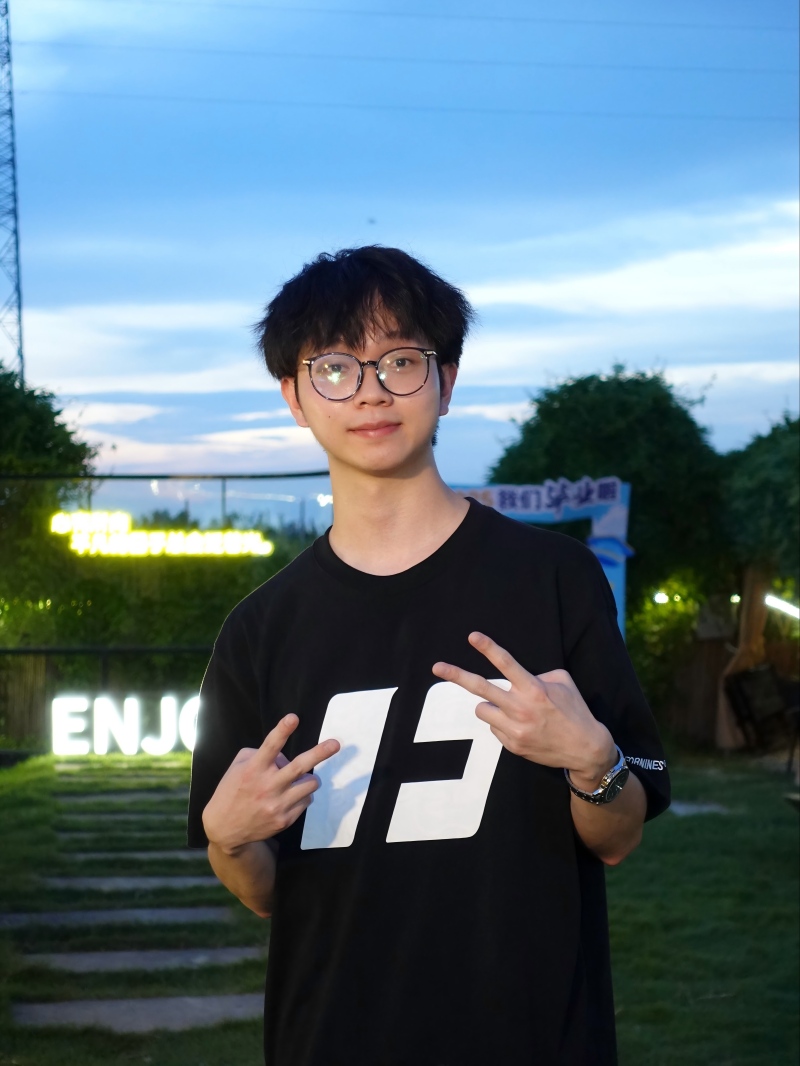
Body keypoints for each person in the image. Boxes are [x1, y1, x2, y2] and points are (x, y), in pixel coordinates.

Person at [187, 245, 670, 1066]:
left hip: (533, 1039)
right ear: (294, 397)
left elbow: (617, 838)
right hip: (332, 1038)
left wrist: (593, 761)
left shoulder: (553, 580)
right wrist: (229, 841)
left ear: (446, 381)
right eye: (334, 367)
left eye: (401, 361)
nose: (370, 390)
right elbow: (264, 894)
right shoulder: (259, 629)